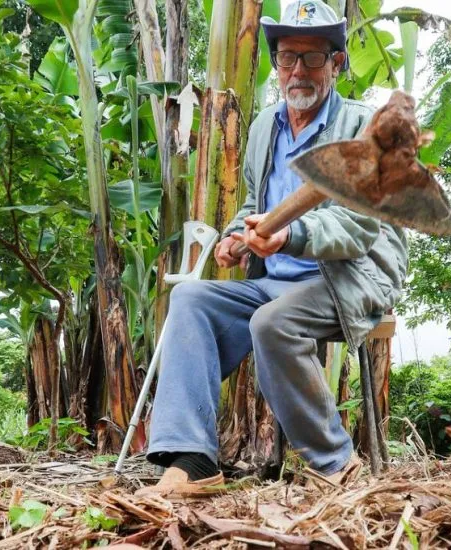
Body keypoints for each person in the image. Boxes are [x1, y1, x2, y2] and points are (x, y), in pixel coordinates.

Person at [136, 0, 407, 498]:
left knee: (272, 322)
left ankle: (336, 464)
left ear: (336, 63)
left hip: (347, 277)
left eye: (313, 57)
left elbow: (359, 225)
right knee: (190, 300)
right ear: (276, 64)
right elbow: (254, 204)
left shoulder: (362, 128)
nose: (298, 70)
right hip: (275, 281)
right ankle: (193, 461)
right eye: (287, 57)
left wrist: (289, 235)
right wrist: (236, 238)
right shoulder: (266, 126)